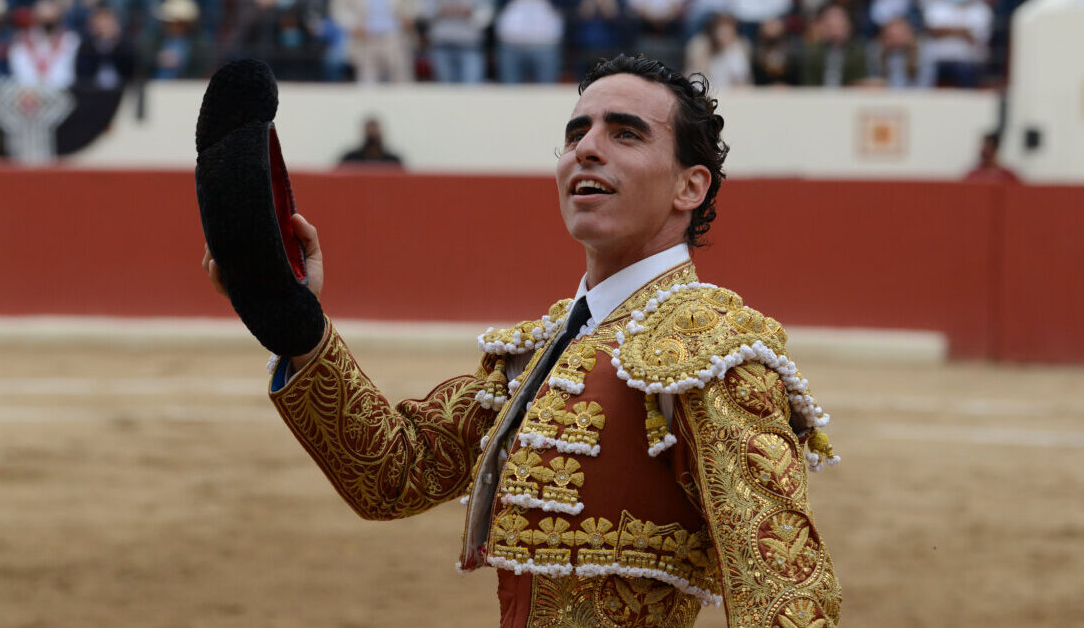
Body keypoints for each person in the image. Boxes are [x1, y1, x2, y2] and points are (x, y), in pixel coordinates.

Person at [203, 54, 841, 626]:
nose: (587, 149)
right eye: (576, 132)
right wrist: (296, 326)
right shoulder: (544, 347)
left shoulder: (711, 352)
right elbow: (395, 475)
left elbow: (782, 595)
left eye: (625, 133)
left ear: (689, 186)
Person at [337, 116, 404, 167]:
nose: (372, 133)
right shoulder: (350, 159)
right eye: (370, 132)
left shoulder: (393, 161)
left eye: (375, 131)